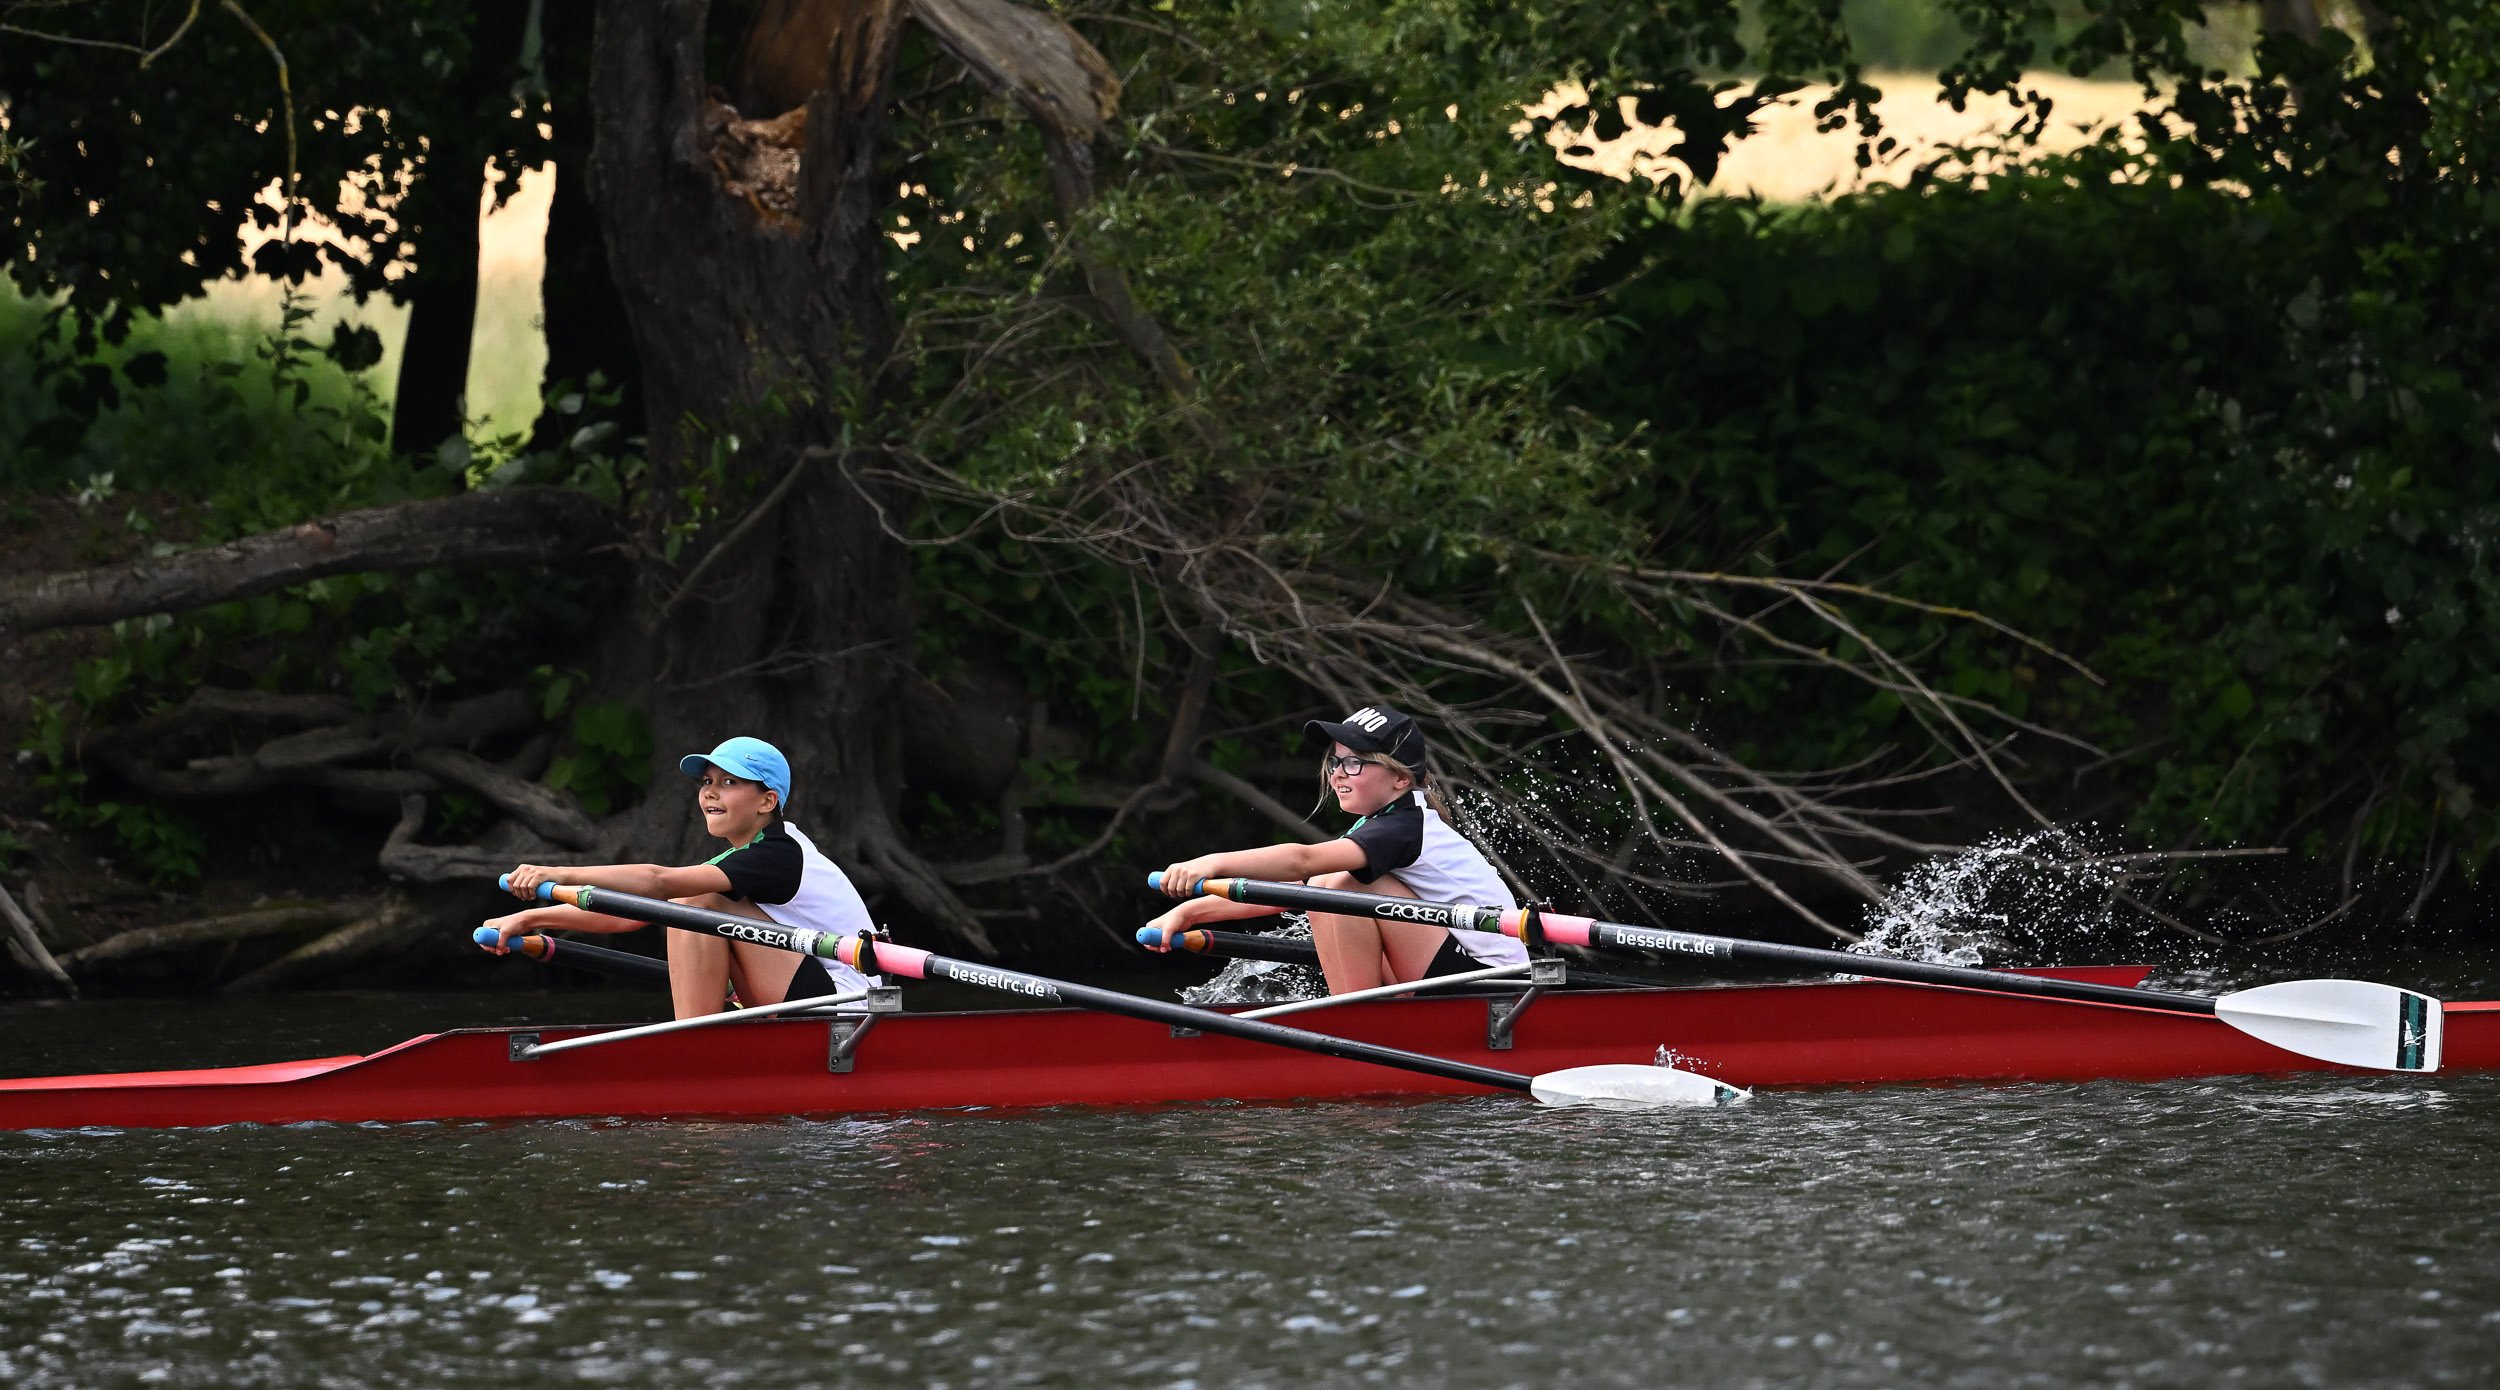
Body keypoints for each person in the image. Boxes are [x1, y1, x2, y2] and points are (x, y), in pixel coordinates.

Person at [484, 736, 881, 1019]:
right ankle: (701, 1037)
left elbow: (658, 881)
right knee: (688, 902)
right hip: (806, 990)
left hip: (844, 1008)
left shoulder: (778, 853)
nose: (710, 792)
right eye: (707, 781)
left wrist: (557, 871)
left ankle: (694, 1044)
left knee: (695, 901)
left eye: (729, 782)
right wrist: (529, 918)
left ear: (767, 801)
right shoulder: (739, 857)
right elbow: (636, 914)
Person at [1143, 702, 1528, 993]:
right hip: (1459, 968)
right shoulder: (1384, 825)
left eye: (1356, 763)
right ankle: (1361, 1013)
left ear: (1399, 778)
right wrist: (1191, 912)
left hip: (1493, 984)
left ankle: (1355, 1021)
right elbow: (1296, 893)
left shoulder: (1404, 825)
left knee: (1343, 885)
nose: (1338, 774)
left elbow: (1301, 861)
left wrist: (1211, 863)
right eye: (1336, 761)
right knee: (1331, 882)